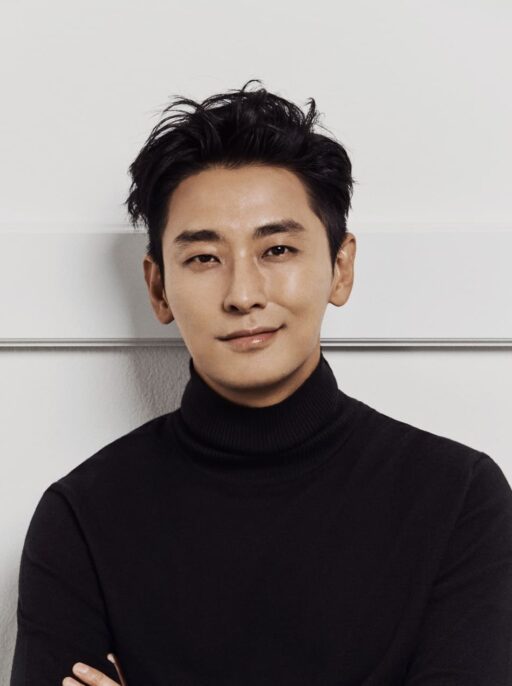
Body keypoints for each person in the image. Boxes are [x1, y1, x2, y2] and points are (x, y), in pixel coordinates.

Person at [10, 79, 512, 686]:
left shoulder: (458, 499)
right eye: (204, 258)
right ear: (158, 287)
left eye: (276, 250)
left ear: (340, 267)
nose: (243, 295)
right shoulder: (81, 518)